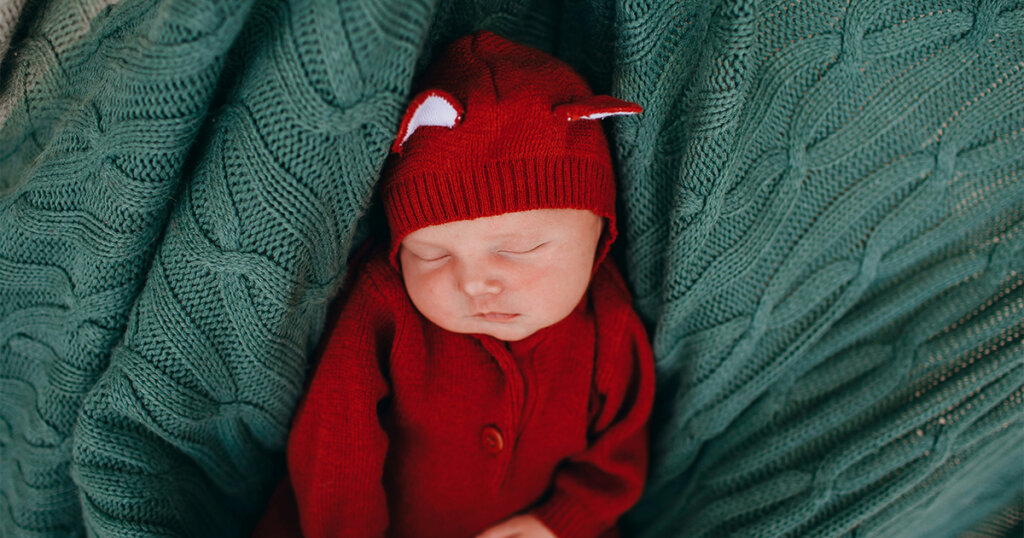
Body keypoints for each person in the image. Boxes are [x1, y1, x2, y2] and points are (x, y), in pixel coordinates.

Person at [254, 30, 655, 538]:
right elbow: (336, 448)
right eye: (432, 255)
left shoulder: (608, 322)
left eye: (520, 250)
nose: (475, 283)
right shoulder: (384, 307)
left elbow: (620, 450)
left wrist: (558, 522)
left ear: (600, 231)